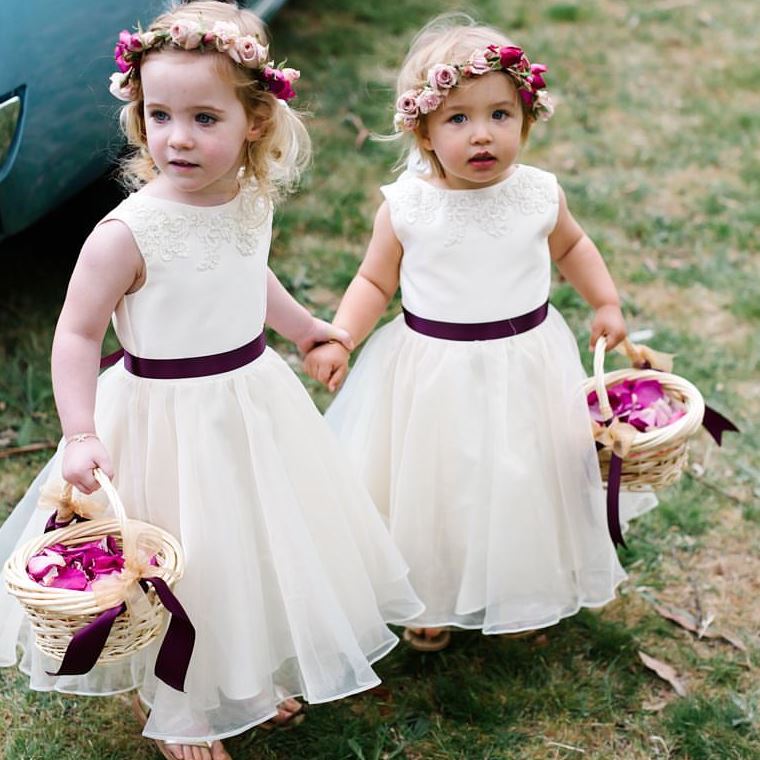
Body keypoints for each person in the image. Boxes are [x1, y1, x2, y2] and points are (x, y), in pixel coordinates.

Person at [0, 3, 424, 758]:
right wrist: (80, 431)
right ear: (139, 117)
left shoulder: (248, 200)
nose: (179, 137)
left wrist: (302, 328)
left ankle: (245, 670)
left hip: (249, 399)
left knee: (252, 541)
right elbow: (76, 331)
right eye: (159, 115)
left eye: (203, 117)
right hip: (164, 419)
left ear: (254, 120)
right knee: (181, 556)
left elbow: (245, 273)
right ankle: (180, 705)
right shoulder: (126, 233)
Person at [304, 14, 655, 653]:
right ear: (425, 131)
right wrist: (343, 337)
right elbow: (375, 282)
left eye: (500, 114)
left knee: (526, 476)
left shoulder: (538, 194)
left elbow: (573, 245)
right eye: (458, 119)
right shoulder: (407, 206)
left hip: (527, 363)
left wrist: (603, 300)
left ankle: (527, 583)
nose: (483, 134)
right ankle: (430, 594)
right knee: (437, 487)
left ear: (526, 118)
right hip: (434, 369)